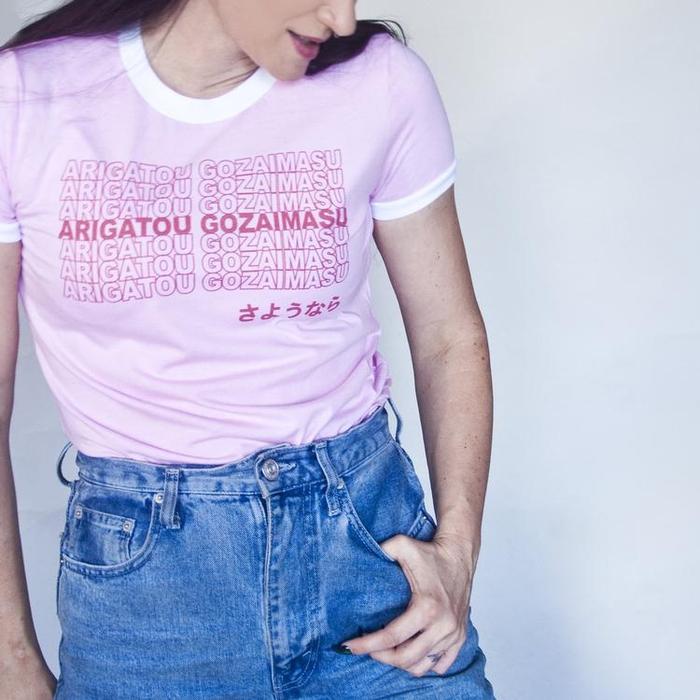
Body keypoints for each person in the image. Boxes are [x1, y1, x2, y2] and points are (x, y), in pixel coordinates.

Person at [0, 0, 496, 697]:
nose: (343, 19)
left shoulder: (382, 83)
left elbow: (448, 334)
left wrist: (459, 553)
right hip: (147, 607)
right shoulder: (24, 99)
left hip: (371, 564)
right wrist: (11, 660)